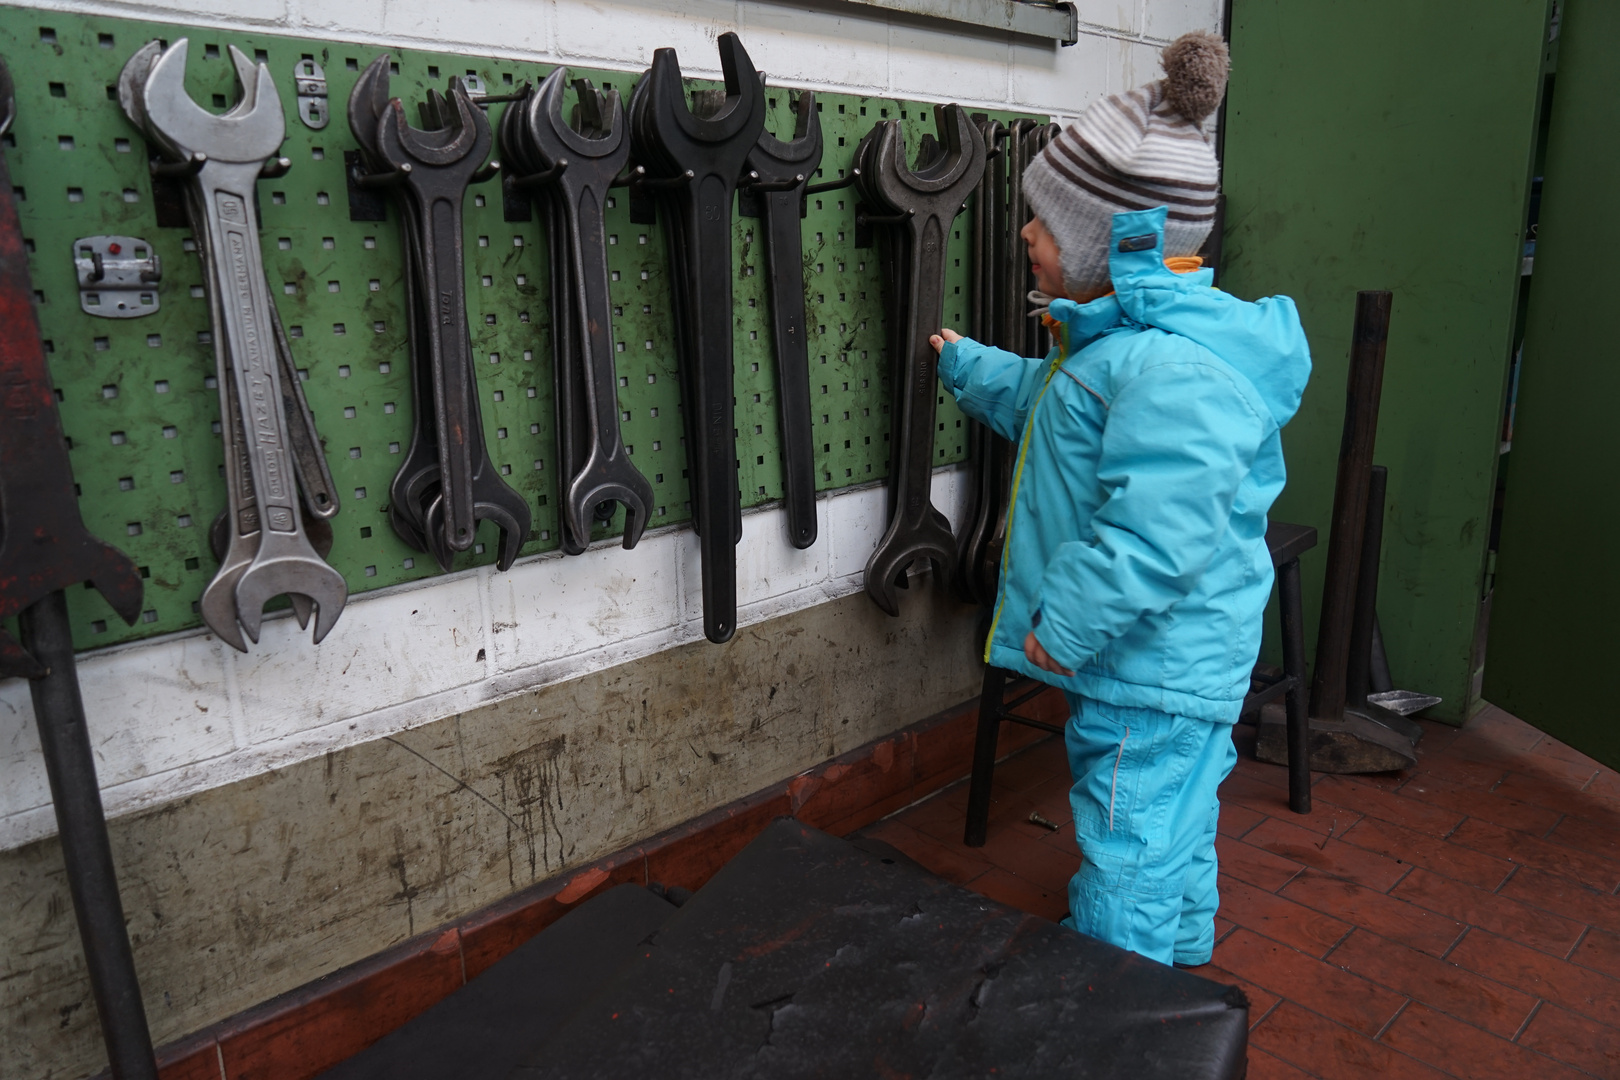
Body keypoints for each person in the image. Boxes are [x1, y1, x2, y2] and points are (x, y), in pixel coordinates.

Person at [929, 31, 1311, 968]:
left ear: (1117, 242)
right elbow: (1055, 415)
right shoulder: (1113, 354)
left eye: (1047, 223)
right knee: (1172, 839)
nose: (1026, 234)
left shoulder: (1171, 372)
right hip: (1159, 662)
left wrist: (1069, 620)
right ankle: (1178, 987)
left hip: (1152, 668)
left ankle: (1114, 1009)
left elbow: (1156, 534)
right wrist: (970, 368)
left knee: (1126, 848)